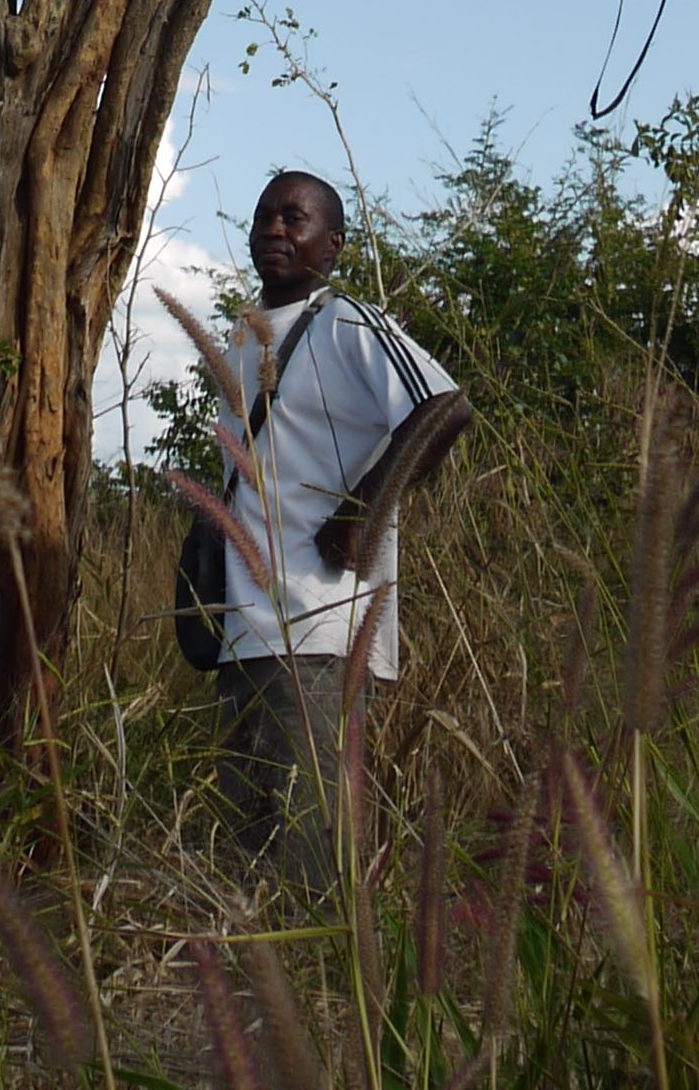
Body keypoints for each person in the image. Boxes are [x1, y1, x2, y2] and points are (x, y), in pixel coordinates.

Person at [214, 167, 463, 885]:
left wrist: (363, 509)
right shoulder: (242, 337)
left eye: (295, 219)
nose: (273, 231)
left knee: (309, 850)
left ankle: (326, 994)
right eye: (265, 217)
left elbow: (445, 408)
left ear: (335, 245)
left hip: (318, 631)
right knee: (247, 854)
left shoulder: (347, 321)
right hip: (243, 633)